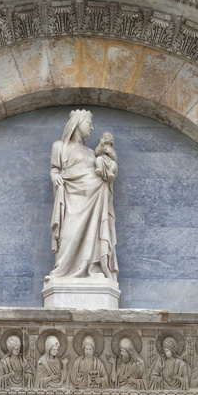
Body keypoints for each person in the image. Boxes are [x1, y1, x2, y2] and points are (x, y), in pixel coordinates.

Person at [49, 110, 118, 279]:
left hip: (96, 197)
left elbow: (102, 168)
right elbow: (55, 169)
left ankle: (93, 268)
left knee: (94, 233)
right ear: (78, 123)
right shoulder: (60, 146)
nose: (92, 128)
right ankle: (64, 270)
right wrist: (55, 176)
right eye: (89, 123)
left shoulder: (90, 151)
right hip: (73, 197)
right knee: (69, 232)